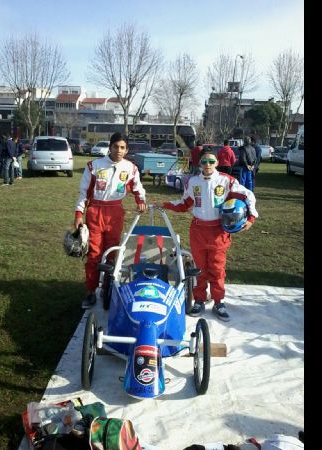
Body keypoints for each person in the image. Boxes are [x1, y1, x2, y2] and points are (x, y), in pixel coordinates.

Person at [162, 148, 257, 321]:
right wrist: (165, 204)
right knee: (200, 268)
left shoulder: (226, 180)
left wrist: (251, 218)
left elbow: (248, 195)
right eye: (204, 161)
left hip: (218, 231)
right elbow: (184, 204)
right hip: (198, 230)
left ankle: (219, 302)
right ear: (199, 163)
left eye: (211, 161)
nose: (208, 165)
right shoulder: (193, 182)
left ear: (217, 163)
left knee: (217, 269)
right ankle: (199, 299)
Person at [73, 132, 147, 309]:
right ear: (110, 147)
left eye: (122, 148)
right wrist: (78, 214)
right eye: (116, 147)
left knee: (112, 253)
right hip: (95, 212)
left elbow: (138, 187)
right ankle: (91, 291)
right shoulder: (94, 166)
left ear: (126, 150)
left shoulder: (130, 168)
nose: (119, 150)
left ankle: (108, 288)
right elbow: (84, 192)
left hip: (115, 213)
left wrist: (141, 200)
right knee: (94, 254)